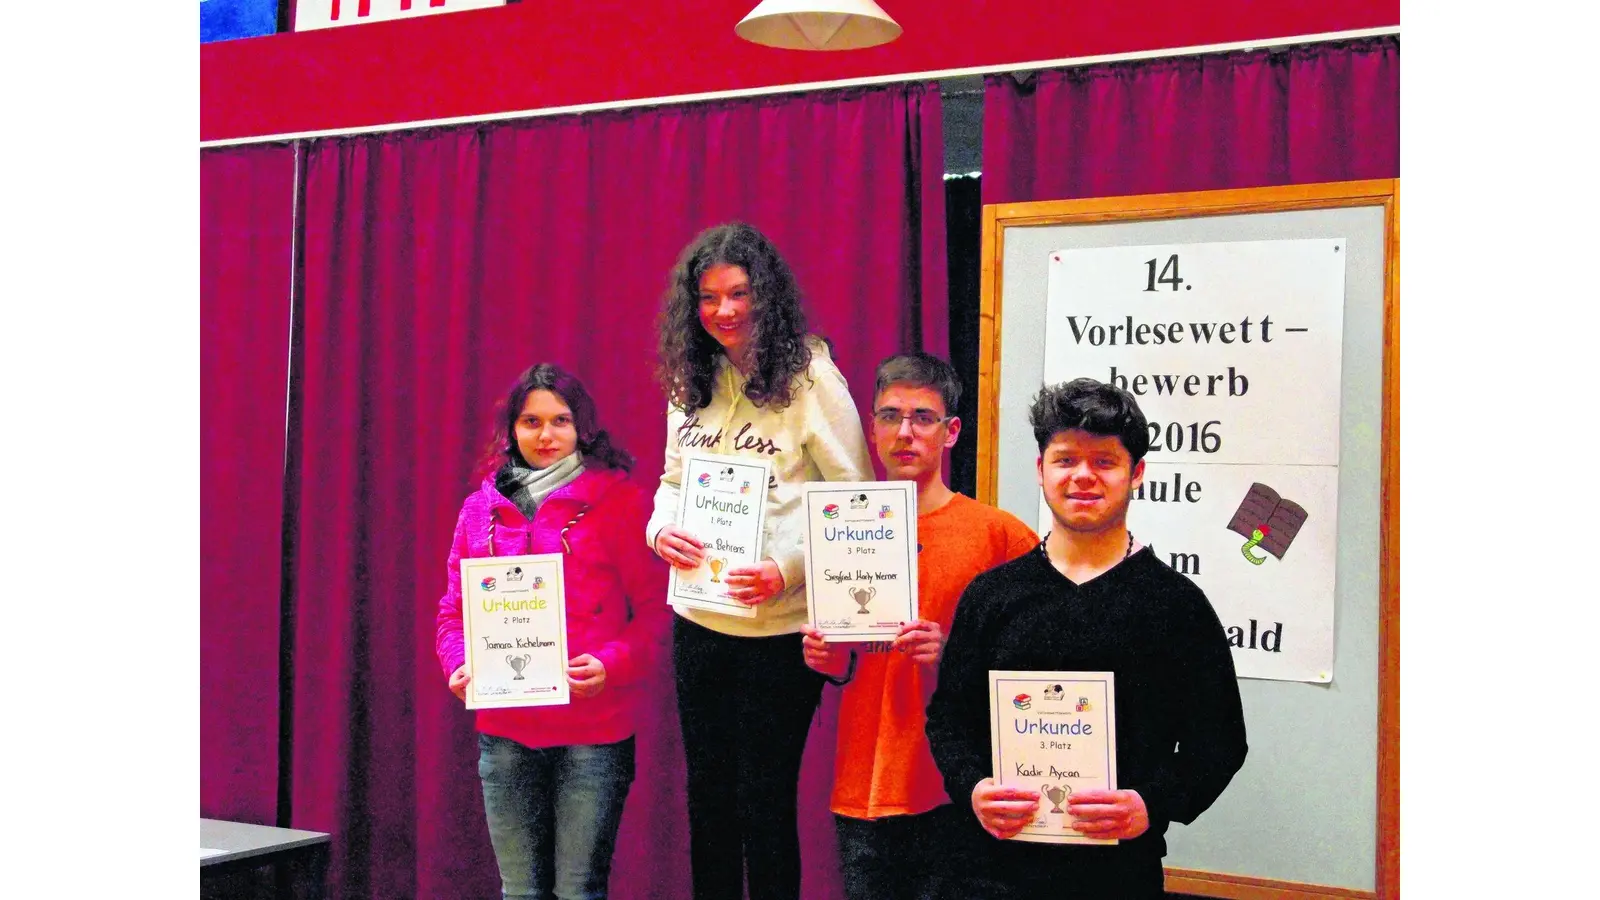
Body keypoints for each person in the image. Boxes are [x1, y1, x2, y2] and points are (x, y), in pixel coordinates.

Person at [925, 377, 1248, 899]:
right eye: (1066, 459)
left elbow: (1221, 742)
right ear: (1040, 470)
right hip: (992, 872)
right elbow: (948, 719)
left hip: (1120, 877)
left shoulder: (1176, 606)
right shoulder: (992, 595)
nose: (1083, 477)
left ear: (1136, 473)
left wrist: (1151, 804)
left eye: (1104, 462)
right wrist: (973, 788)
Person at [646, 222, 874, 900]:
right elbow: (671, 482)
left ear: (766, 295)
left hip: (779, 631)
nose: (724, 312)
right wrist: (660, 531)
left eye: (739, 293)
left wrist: (790, 570)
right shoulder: (691, 378)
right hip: (698, 617)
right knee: (707, 799)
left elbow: (856, 502)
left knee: (764, 800)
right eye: (709, 298)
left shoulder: (813, 379)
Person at [799, 352, 1038, 900]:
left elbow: (1038, 663)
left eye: (923, 418)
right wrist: (824, 656)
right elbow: (842, 664)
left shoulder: (999, 536)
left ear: (951, 432)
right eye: (890, 415)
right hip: (861, 783)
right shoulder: (838, 524)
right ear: (872, 428)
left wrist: (953, 653)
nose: (905, 432)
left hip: (953, 788)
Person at [435, 363, 669, 900]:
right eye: (531, 421)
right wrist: (459, 663)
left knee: (579, 891)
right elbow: (453, 612)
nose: (545, 436)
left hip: (594, 733)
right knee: (519, 891)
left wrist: (611, 664)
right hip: (505, 733)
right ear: (512, 429)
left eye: (560, 421)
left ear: (582, 428)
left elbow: (657, 614)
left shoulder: (621, 504)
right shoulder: (479, 511)